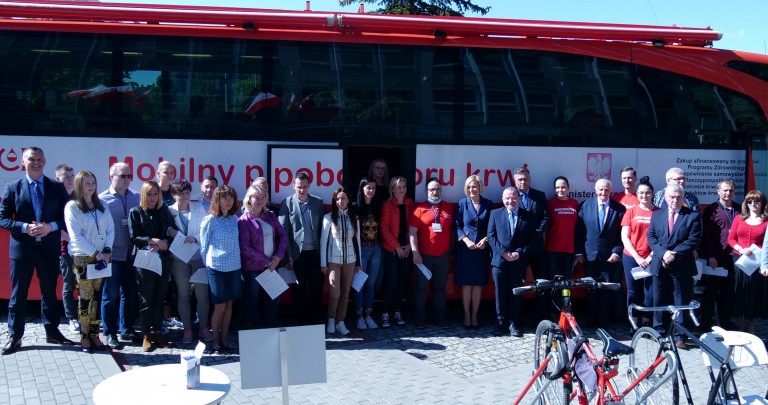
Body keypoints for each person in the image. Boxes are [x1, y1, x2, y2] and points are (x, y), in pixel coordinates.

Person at [1, 147, 75, 355]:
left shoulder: (56, 187)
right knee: (18, 295)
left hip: (49, 249)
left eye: (40, 159)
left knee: (49, 294)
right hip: (22, 250)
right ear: (23, 162)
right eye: (31, 159)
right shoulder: (12, 187)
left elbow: (66, 218)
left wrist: (50, 227)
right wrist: (25, 228)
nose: (36, 163)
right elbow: (3, 218)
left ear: (44, 162)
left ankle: (52, 332)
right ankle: (15, 336)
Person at [64, 170, 115, 352]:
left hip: (102, 257)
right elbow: (75, 237)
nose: (91, 186)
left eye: (93, 182)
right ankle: (84, 337)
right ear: (79, 185)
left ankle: (94, 334)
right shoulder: (72, 206)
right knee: (85, 298)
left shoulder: (102, 205)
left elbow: (110, 229)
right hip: (84, 258)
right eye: (87, 183)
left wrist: (107, 251)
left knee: (96, 297)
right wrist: (96, 254)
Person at [647, 184, 702, 348]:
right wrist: (663, 253)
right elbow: (651, 237)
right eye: (672, 196)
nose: (675, 200)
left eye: (679, 197)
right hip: (660, 263)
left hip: (682, 265)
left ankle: (680, 335)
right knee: (659, 298)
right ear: (665, 198)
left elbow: (693, 240)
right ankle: (658, 331)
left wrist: (673, 254)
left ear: (683, 198)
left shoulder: (692, 216)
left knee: (681, 300)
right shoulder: (657, 215)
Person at [129, 180, 178, 352]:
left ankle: (158, 333)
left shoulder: (163, 211)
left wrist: (164, 241)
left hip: (163, 259)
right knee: (146, 299)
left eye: (155, 194)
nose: (152, 197)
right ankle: (146, 335)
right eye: (149, 194)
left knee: (159, 298)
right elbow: (134, 237)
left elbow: (172, 231)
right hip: (145, 260)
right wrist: (153, 241)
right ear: (143, 195)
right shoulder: (136, 212)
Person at [99, 162, 141, 348]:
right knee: (110, 295)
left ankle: (127, 329)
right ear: (111, 177)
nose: (126, 179)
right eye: (122, 176)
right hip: (112, 255)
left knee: (130, 293)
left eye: (129, 176)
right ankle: (110, 332)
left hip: (132, 255)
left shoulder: (136, 197)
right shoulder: (102, 200)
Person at [575, 179, 626, 326]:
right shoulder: (586, 205)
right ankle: (591, 318)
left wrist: (617, 252)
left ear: (611, 191)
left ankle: (603, 320)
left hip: (609, 256)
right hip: (588, 255)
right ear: (595, 190)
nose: (603, 193)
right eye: (601, 190)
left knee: (606, 289)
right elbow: (579, 231)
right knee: (590, 288)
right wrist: (578, 252)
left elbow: (622, 235)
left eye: (606, 190)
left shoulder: (619, 209)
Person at [487, 187, 535, 337]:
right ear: (502, 200)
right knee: (500, 293)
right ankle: (501, 322)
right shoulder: (495, 214)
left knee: (516, 293)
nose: (510, 201)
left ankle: (514, 323)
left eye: (514, 198)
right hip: (499, 261)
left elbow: (532, 240)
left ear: (519, 199)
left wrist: (518, 253)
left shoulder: (528, 216)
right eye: (507, 198)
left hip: (518, 261)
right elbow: (491, 236)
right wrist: (503, 253)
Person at [168, 180, 213, 343]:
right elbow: (165, 232)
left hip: (197, 256)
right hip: (179, 258)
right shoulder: (168, 211)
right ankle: (187, 329)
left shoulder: (198, 208)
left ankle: (203, 327)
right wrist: (170, 232)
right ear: (174, 195)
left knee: (202, 294)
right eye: (181, 193)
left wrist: (195, 238)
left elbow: (205, 230)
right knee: (183, 294)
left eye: (187, 192)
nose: (186, 196)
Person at [409, 177, 455, 328]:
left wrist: (451, 252)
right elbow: (412, 232)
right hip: (424, 257)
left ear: (441, 191)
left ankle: (440, 317)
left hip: (443, 255)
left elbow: (453, 232)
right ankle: (419, 318)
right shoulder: (419, 209)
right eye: (432, 189)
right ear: (426, 192)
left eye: (438, 189)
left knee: (440, 288)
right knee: (421, 288)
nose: (435, 192)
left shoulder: (448, 207)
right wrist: (415, 252)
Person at [239, 185, 287, 329]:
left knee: (274, 299)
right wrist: (267, 261)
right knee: (253, 300)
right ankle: (256, 330)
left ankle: (269, 328)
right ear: (249, 199)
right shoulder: (244, 220)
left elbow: (283, 235)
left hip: (272, 266)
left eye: (262, 198)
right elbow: (244, 246)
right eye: (256, 198)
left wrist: (278, 257)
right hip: (253, 268)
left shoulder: (271, 215)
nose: (259, 201)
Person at [200, 185, 241, 353]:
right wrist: (208, 264)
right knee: (219, 306)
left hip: (234, 267)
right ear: (218, 200)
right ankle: (215, 340)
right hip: (216, 267)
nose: (229, 202)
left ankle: (224, 338)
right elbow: (203, 245)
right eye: (225, 198)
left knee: (230, 305)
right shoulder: (210, 220)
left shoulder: (234, 219)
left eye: (231, 198)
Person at [278, 172, 324, 324]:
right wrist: (287, 255)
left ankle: (314, 317)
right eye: (299, 187)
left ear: (309, 186)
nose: (302, 190)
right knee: (299, 288)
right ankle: (301, 319)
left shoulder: (317, 202)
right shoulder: (287, 203)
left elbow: (323, 231)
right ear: (293, 186)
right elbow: (283, 231)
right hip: (297, 253)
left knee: (317, 286)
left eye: (304, 187)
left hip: (315, 252)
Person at [321, 187, 362, 335]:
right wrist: (323, 263)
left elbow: (357, 241)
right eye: (337, 199)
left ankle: (341, 321)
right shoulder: (328, 218)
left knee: (345, 293)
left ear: (348, 200)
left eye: (343, 198)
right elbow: (323, 242)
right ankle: (331, 319)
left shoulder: (354, 218)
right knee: (335, 293)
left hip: (350, 261)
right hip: (333, 261)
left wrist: (359, 263)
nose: (340, 201)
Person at [700, 179, 740, 331]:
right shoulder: (712, 209)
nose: (728, 193)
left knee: (728, 291)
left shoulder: (739, 209)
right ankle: (706, 322)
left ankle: (725, 321)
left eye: (730, 190)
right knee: (711, 290)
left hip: (734, 256)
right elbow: (708, 236)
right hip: (716, 256)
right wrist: (710, 256)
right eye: (725, 190)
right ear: (718, 191)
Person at [453, 175, 492, 329]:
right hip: (465, 249)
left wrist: (486, 240)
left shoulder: (488, 204)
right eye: (469, 187)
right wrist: (466, 240)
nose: (471, 189)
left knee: (477, 284)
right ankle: (467, 315)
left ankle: (475, 315)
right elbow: (456, 225)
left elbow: (492, 226)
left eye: (474, 186)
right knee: (466, 283)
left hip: (481, 249)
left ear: (480, 187)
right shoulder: (462, 203)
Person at [620, 177, 658, 332]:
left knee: (650, 293)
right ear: (637, 194)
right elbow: (625, 237)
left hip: (652, 258)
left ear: (652, 194)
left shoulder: (659, 213)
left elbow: (662, 239)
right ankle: (634, 323)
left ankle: (646, 324)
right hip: (631, 257)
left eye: (647, 193)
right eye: (641, 193)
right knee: (633, 291)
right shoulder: (630, 211)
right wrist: (637, 257)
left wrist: (649, 258)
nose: (644, 196)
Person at [513, 167, 549, 321]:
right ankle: (517, 318)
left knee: (541, 283)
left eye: (525, 179)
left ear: (530, 179)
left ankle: (540, 317)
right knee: (518, 283)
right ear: (515, 181)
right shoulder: (511, 195)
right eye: (520, 179)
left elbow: (545, 219)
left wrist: (535, 234)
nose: (523, 181)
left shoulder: (539, 196)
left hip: (537, 247)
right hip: (518, 248)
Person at [730, 190, 768, 334]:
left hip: (758, 264)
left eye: (756, 201)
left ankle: (751, 324)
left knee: (754, 294)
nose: (753, 204)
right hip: (741, 262)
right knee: (741, 293)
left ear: (762, 203)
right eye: (750, 201)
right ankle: (742, 324)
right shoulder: (739, 218)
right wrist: (740, 248)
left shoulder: (766, 221)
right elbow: (731, 238)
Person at [379, 176, 415, 328]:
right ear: (392, 189)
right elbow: (384, 229)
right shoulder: (387, 205)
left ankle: (398, 312)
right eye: (399, 187)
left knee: (402, 282)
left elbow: (413, 227)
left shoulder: (410, 204)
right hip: (391, 250)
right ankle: (385, 313)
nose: (402, 190)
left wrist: (408, 246)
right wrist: (397, 247)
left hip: (406, 249)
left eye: (404, 187)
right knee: (392, 282)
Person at [543, 176, 579, 318]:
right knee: (551, 283)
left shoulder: (575, 203)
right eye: (557, 187)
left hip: (569, 250)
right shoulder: (550, 203)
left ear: (568, 188)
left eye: (563, 187)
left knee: (566, 284)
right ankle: (551, 311)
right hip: (552, 249)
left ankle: (564, 311)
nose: (560, 190)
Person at [354, 177, 382, 330]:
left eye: (373, 188)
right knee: (359, 284)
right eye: (368, 188)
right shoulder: (355, 207)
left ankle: (368, 315)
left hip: (376, 248)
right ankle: (359, 316)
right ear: (362, 189)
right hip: (361, 249)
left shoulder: (378, 207)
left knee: (371, 284)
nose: (371, 191)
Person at [55, 163, 79, 333]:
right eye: (66, 177)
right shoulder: (55, 198)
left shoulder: (80, 196)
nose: (71, 180)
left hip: (82, 249)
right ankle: (72, 318)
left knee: (86, 284)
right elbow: (54, 227)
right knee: (69, 283)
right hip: (65, 249)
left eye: (72, 176)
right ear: (58, 179)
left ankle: (87, 316)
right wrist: (71, 239)